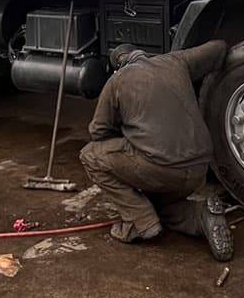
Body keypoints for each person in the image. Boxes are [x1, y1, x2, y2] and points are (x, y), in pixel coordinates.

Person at [79, 41, 233, 261]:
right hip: (200, 169)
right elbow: (219, 47)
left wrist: (128, 133)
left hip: (162, 168)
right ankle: (200, 216)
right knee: (158, 205)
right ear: (144, 54)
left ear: (118, 65)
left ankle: (140, 223)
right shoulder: (175, 61)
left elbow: (99, 132)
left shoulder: (117, 81)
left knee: (90, 156)